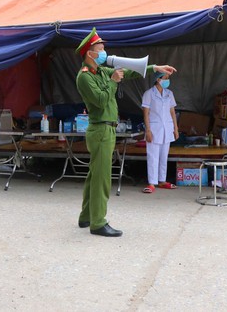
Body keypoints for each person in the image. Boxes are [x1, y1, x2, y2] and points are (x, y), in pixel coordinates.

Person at [75, 27, 176, 237]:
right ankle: (98, 222)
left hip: (106, 129)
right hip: (100, 129)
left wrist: (154, 67)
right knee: (102, 178)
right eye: (100, 50)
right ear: (89, 53)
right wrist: (113, 82)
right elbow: (101, 101)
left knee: (95, 175)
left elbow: (129, 73)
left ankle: (86, 217)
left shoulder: (100, 71)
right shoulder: (84, 77)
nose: (104, 53)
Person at [141, 71, 179, 193]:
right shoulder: (149, 94)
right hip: (154, 129)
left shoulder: (169, 93)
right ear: (158, 79)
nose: (167, 80)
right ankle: (152, 182)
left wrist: (176, 128)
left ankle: (162, 180)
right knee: (153, 156)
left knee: (164, 156)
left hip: (167, 129)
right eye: (165, 78)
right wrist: (148, 130)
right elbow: (146, 113)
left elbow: (172, 112)